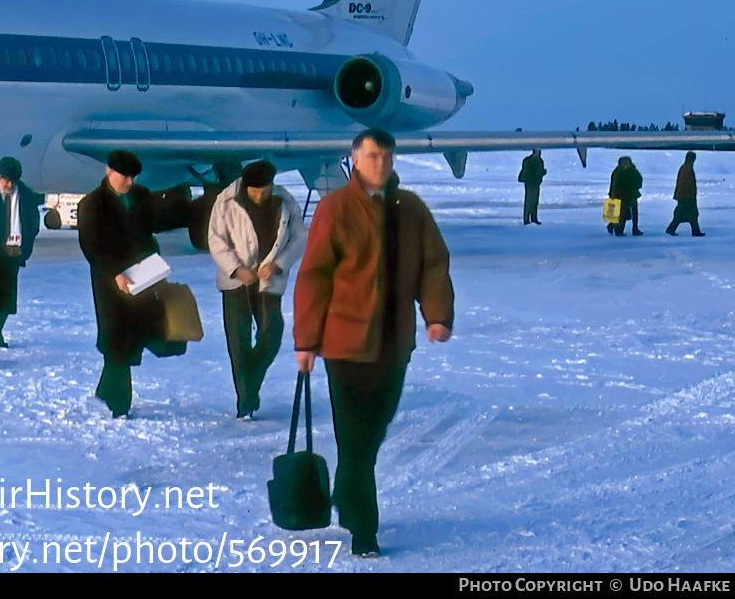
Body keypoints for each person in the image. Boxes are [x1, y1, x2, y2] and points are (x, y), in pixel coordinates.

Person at [293, 128, 454, 558]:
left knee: (373, 430)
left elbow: (434, 263)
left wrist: (436, 314)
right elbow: (314, 276)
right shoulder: (335, 208)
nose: (379, 164)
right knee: (355, 435)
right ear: (355, 159)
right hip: (345, 344)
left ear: (394, 159)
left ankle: (346, 493)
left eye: (385, 156)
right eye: (370, 156)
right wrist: (306, 341)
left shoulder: (411, 209)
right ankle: (365, 530)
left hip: (394, 344)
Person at [77, 149, 186, 418]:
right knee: (116, 338)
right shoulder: (92, 204)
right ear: (109, 171)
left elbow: (153, 227)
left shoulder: (140, 196)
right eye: (124, 177)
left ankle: (106, 391)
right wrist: (114, 272)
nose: (129, 182)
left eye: (133, 177)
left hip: (143, 278)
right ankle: (119, 403)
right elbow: (91, 245)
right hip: (110, 283)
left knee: (135, 334)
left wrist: (153, 260)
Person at [206, 160, 304, 420]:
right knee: (238, 343)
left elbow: (298, 238)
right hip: (235, 281)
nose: (259, 195)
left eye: (264, 190)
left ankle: (250, 379)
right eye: (254, 191)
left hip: (267, 280)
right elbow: (216, 241)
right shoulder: (225, 201)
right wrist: (237, 270)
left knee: (272, 332)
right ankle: (245, 400)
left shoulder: (285, 201)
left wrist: (278, 264)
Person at [0, 157, 44, 348]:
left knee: (7, 296)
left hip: (12, 253)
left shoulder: (26, 196)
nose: (7, 184)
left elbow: (32, 224)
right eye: (4, 179)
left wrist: (25, 250)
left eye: (11, 180)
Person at [666, 152, 704, 236]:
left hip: (684, 196)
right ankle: (695, 231)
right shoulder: (687, 169)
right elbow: (685, 184)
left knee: (685, 215)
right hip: (686, 197)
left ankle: (695, 231)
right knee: (690, 215)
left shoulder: (685, 168)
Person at [608, 156, 643, 236]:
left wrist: (635, 186)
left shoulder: (633, 171)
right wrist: (612, 195)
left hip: (632, 195)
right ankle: (617, 230)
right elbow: (614, 185)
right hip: (620, 197)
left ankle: (635, 229)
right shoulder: (617, 172)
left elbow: (639, 180)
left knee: (634, 213)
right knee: (621, 214)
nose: (626, 166)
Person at [518, 150, 546, 225]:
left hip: (535, 183)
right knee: (530, 201)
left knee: (534, 201)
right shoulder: (530, 161)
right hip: (531, 183)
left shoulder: (538, 160)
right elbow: (532, 171)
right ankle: (527, 219)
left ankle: (533, 218)